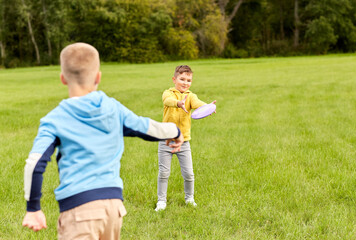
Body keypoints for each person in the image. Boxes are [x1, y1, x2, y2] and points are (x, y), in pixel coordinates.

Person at [22, 42, 184, 239]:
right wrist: (175, 130)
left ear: (63, 79)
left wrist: (33, 208)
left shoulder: (55, 119)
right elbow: (146, 127)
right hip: (114, 209)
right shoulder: (113, 108)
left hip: (78, 210)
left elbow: (35, 162)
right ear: (98, 76)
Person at [155, 65, 216, 211]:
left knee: (189, 174)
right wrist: (178, 103)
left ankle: (189, 198)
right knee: (164, 172)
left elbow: (197, 104)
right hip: (166, 141)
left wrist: (207, 107)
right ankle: (161, 201)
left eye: (188, 80)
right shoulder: (168, 93)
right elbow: (167, 101)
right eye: (182, 79)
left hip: (184, 142)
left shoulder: (190, 96)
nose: (185, 83)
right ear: (174, 79)